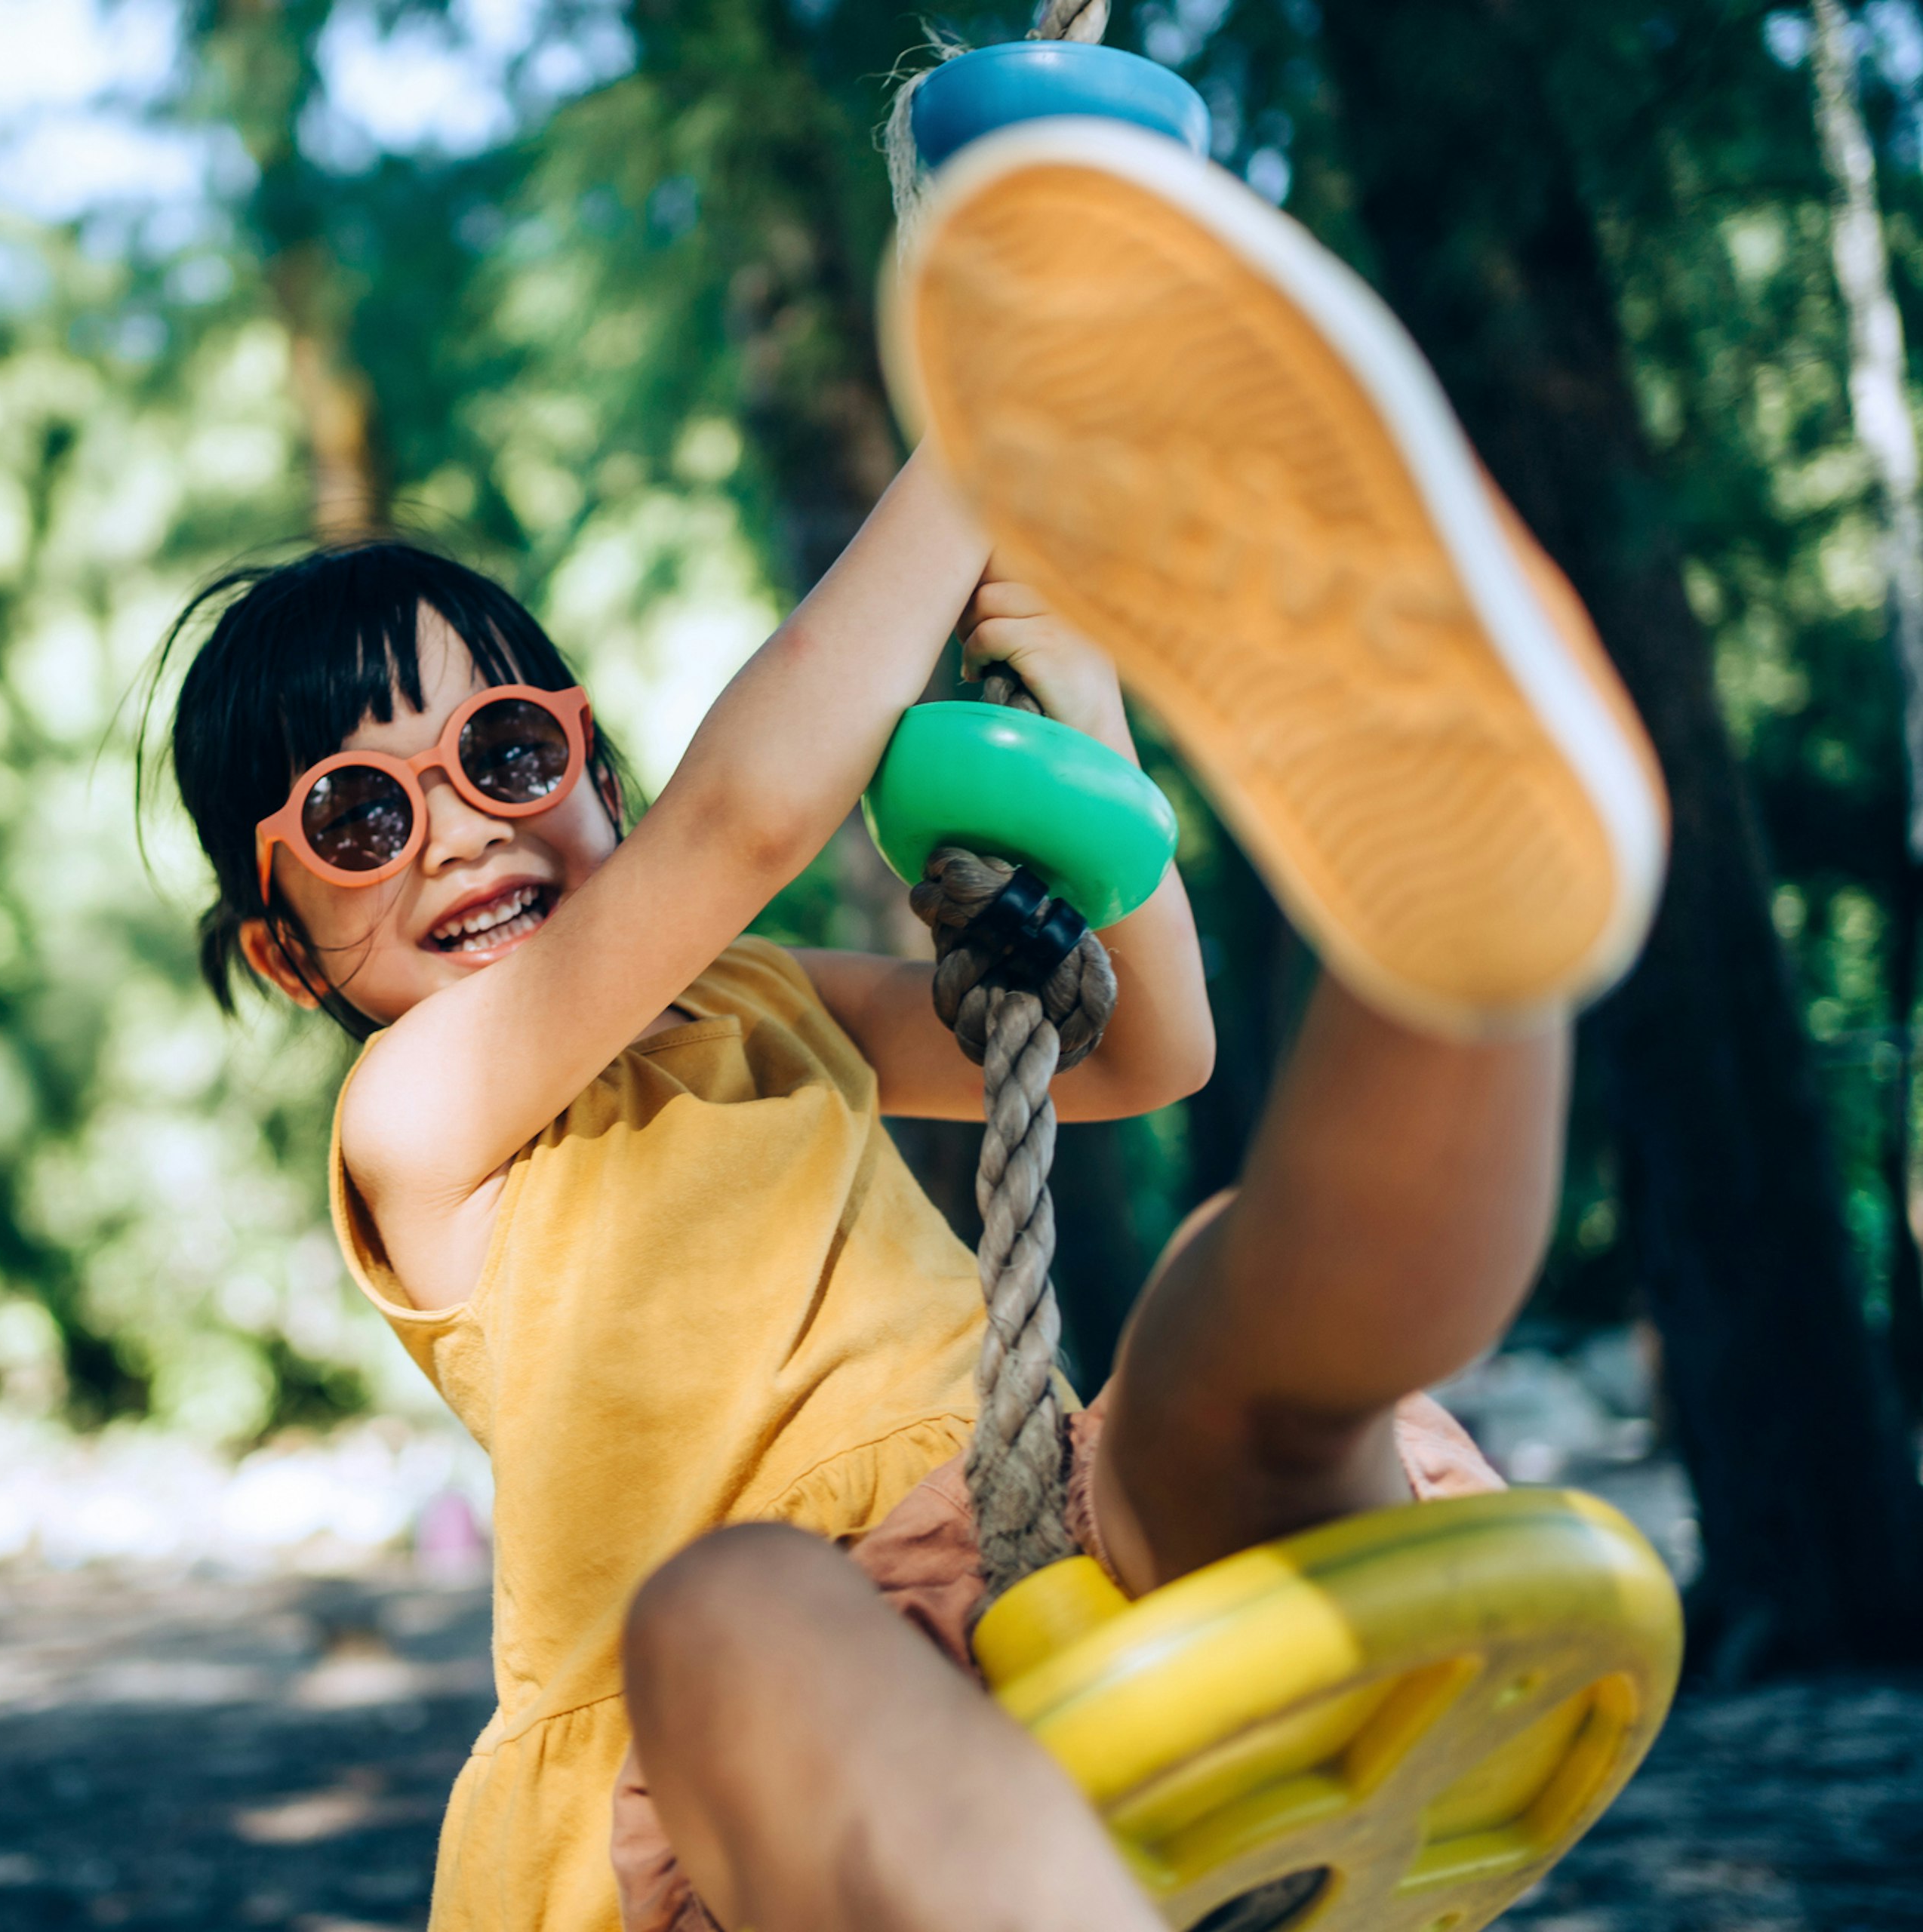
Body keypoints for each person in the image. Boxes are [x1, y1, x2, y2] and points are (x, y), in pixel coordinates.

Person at [149, 111, 1663, 1932]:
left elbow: (1137, 1048)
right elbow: (749, 819)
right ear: (290, 952)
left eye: (506, 750)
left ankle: (1471, 959)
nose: (462, 823)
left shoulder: (763, 1001)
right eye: (361, 818)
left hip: (1042, 1539)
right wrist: (1001, 415)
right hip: (766, 1756)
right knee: (731, 1609)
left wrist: (1083, 700)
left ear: (594, 776)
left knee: (1221, 1338)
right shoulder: (421, 1121)